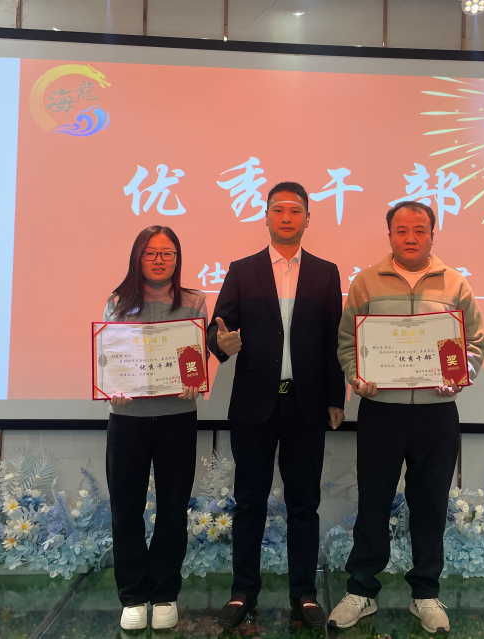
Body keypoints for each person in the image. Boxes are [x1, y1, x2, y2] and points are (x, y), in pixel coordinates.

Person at [327, 201, 484, 634]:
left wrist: (460, 375)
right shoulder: (366, 282)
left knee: (430, 504)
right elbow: (348, 340)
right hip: (381, 411)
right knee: (373, 503)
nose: (410, 238)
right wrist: (357, 375)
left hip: (437, 413)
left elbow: (474, 343)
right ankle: (361, 590)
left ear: (433, 235)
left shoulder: (455, 283)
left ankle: (425, 594)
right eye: (402, 230)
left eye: (419, 230)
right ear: (390, 236)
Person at [206, 182, 345, 629]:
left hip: (306, 404)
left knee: (304, 503)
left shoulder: (326, 273)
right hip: (253, 405)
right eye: (278, 210)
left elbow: (333, 340)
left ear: (308, 219)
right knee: (249, 502)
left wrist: (336, 397)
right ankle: (243, 592)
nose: (286, 217)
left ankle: (304, 593)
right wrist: (221, 344)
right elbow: (217, 330)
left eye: (295, 210)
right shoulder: (242, 270)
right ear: (265, 217)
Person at [103, 225, 207, 632]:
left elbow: (195, 360)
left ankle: (164, 592)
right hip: (127, 420)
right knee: (126, 508)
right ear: (137, 257)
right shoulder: (118, 301)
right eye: (151, 253)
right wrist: (110, 389)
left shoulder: (194, 302)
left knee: (173, 508)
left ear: (177, 259)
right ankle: (132, 595)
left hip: (176, 418)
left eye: (167, 253)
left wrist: (195, 381)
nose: (159, 260)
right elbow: (109, 358)